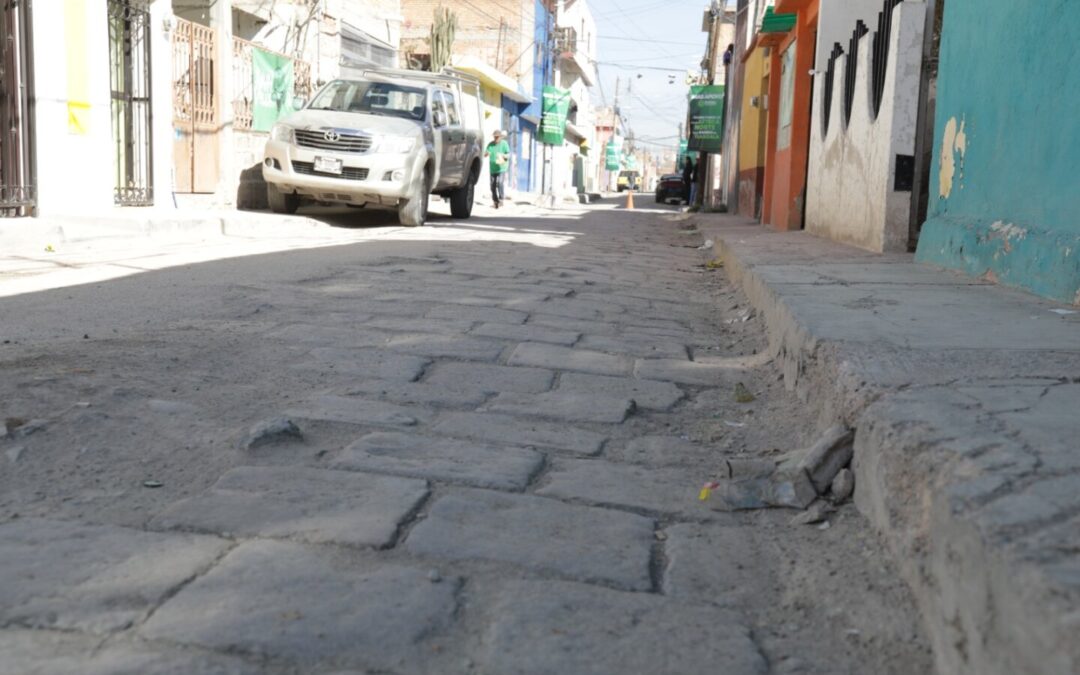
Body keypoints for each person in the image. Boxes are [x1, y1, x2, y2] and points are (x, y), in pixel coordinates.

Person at [483, 130, 511, 209]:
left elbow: (508, 155)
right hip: (493, 168)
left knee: (500, 183)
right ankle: (495, 201)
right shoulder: (491, 145)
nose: (496, 138)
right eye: (494, 137)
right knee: (492, 185)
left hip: (502, 167)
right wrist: (486, 153)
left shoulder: (504, 144)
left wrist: (503, 156)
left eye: (497, 137)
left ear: (501, 137)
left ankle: (501, 199)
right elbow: (485, 154)